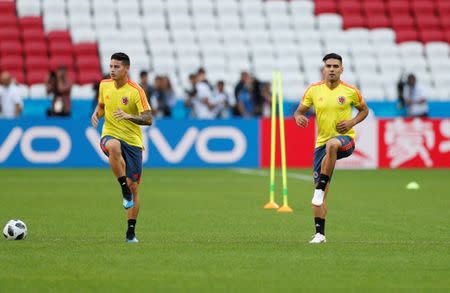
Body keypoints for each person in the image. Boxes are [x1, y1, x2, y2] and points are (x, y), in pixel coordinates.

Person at [294, 53, 369, 244]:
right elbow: (299, 111)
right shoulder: (313, 90)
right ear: (323, 69)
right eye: (329, 66)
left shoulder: (351, 91)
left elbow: (364, 110)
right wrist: (298, 117)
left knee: (333, 144)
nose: (332, 69)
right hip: (321, 146)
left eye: (336, 66)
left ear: (342, 69)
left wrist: (352, 122)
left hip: (345, 141)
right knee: (320, 197)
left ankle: (320, 186)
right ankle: (320, 234)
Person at [91, 52, 153, 243]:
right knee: (113, 146)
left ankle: (130, 232)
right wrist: (97, 113)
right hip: (110, 133)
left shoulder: (136, 91)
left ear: (126, 69)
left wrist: (128, 116)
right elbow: (102, 105)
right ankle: (123, 186)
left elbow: (148, 118)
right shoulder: (104, 84)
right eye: (111, 66)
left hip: (133, 141)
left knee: (136, 189)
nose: (112, 69)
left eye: (117, 66)